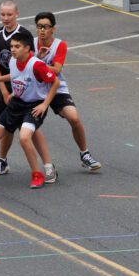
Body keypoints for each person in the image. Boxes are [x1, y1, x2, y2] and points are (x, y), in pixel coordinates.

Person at [0, 30, 59, 190]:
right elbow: (14, 76)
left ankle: (37, 174)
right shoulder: (13, 61)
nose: (13, 49)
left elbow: (54, 82)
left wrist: (45, 104)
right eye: (12, 46)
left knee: (24, 137)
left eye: (17, 46)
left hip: (34, 106)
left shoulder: (37, 65)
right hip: (17, 103)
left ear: (27, 48)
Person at [33, 12, 102, 174]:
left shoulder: (59, 45)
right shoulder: (30, 43)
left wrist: (37, 63)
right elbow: (26, 64)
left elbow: (56, 69)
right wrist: (37, 58)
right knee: (25, 127)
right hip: (35, 89)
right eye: (39, 26)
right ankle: (4, 161)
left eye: (46, 27)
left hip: (56, 88)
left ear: (53, 29)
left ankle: (85, 154)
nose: (42, 30)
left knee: (74, 118)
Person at [0, 0, 29, 176]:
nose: (6, 18)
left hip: (20, 86)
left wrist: (12, 92)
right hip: (3, 83)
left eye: (9, 14)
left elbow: (27, 65)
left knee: (11, 127)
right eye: (3, 14)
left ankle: (2, 161)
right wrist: (3, 90)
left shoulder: (24, 34)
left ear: (17, 14)